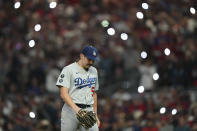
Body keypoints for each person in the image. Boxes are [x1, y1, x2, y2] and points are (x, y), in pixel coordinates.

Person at [56, 45, 100, 131]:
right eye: (89, 59)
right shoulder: (69, 69)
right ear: (81, 56)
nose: (91, 62)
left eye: (93, 60)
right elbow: (63, 94)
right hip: (71, 110)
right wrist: (77, 109)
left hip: (88, 110)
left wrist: (95, 115)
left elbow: (94, 93)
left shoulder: (94, 71)